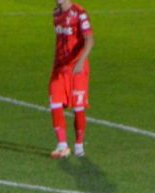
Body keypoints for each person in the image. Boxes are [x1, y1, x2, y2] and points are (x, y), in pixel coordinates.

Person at [49, 0, 95, 159]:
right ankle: (62, 145)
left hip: (77, 69)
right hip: (59, 68)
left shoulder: (79, 13)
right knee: (54, 102)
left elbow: (89, 39)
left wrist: (81, 61)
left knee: (78, 107)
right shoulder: (55, 14)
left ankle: (79, 145)